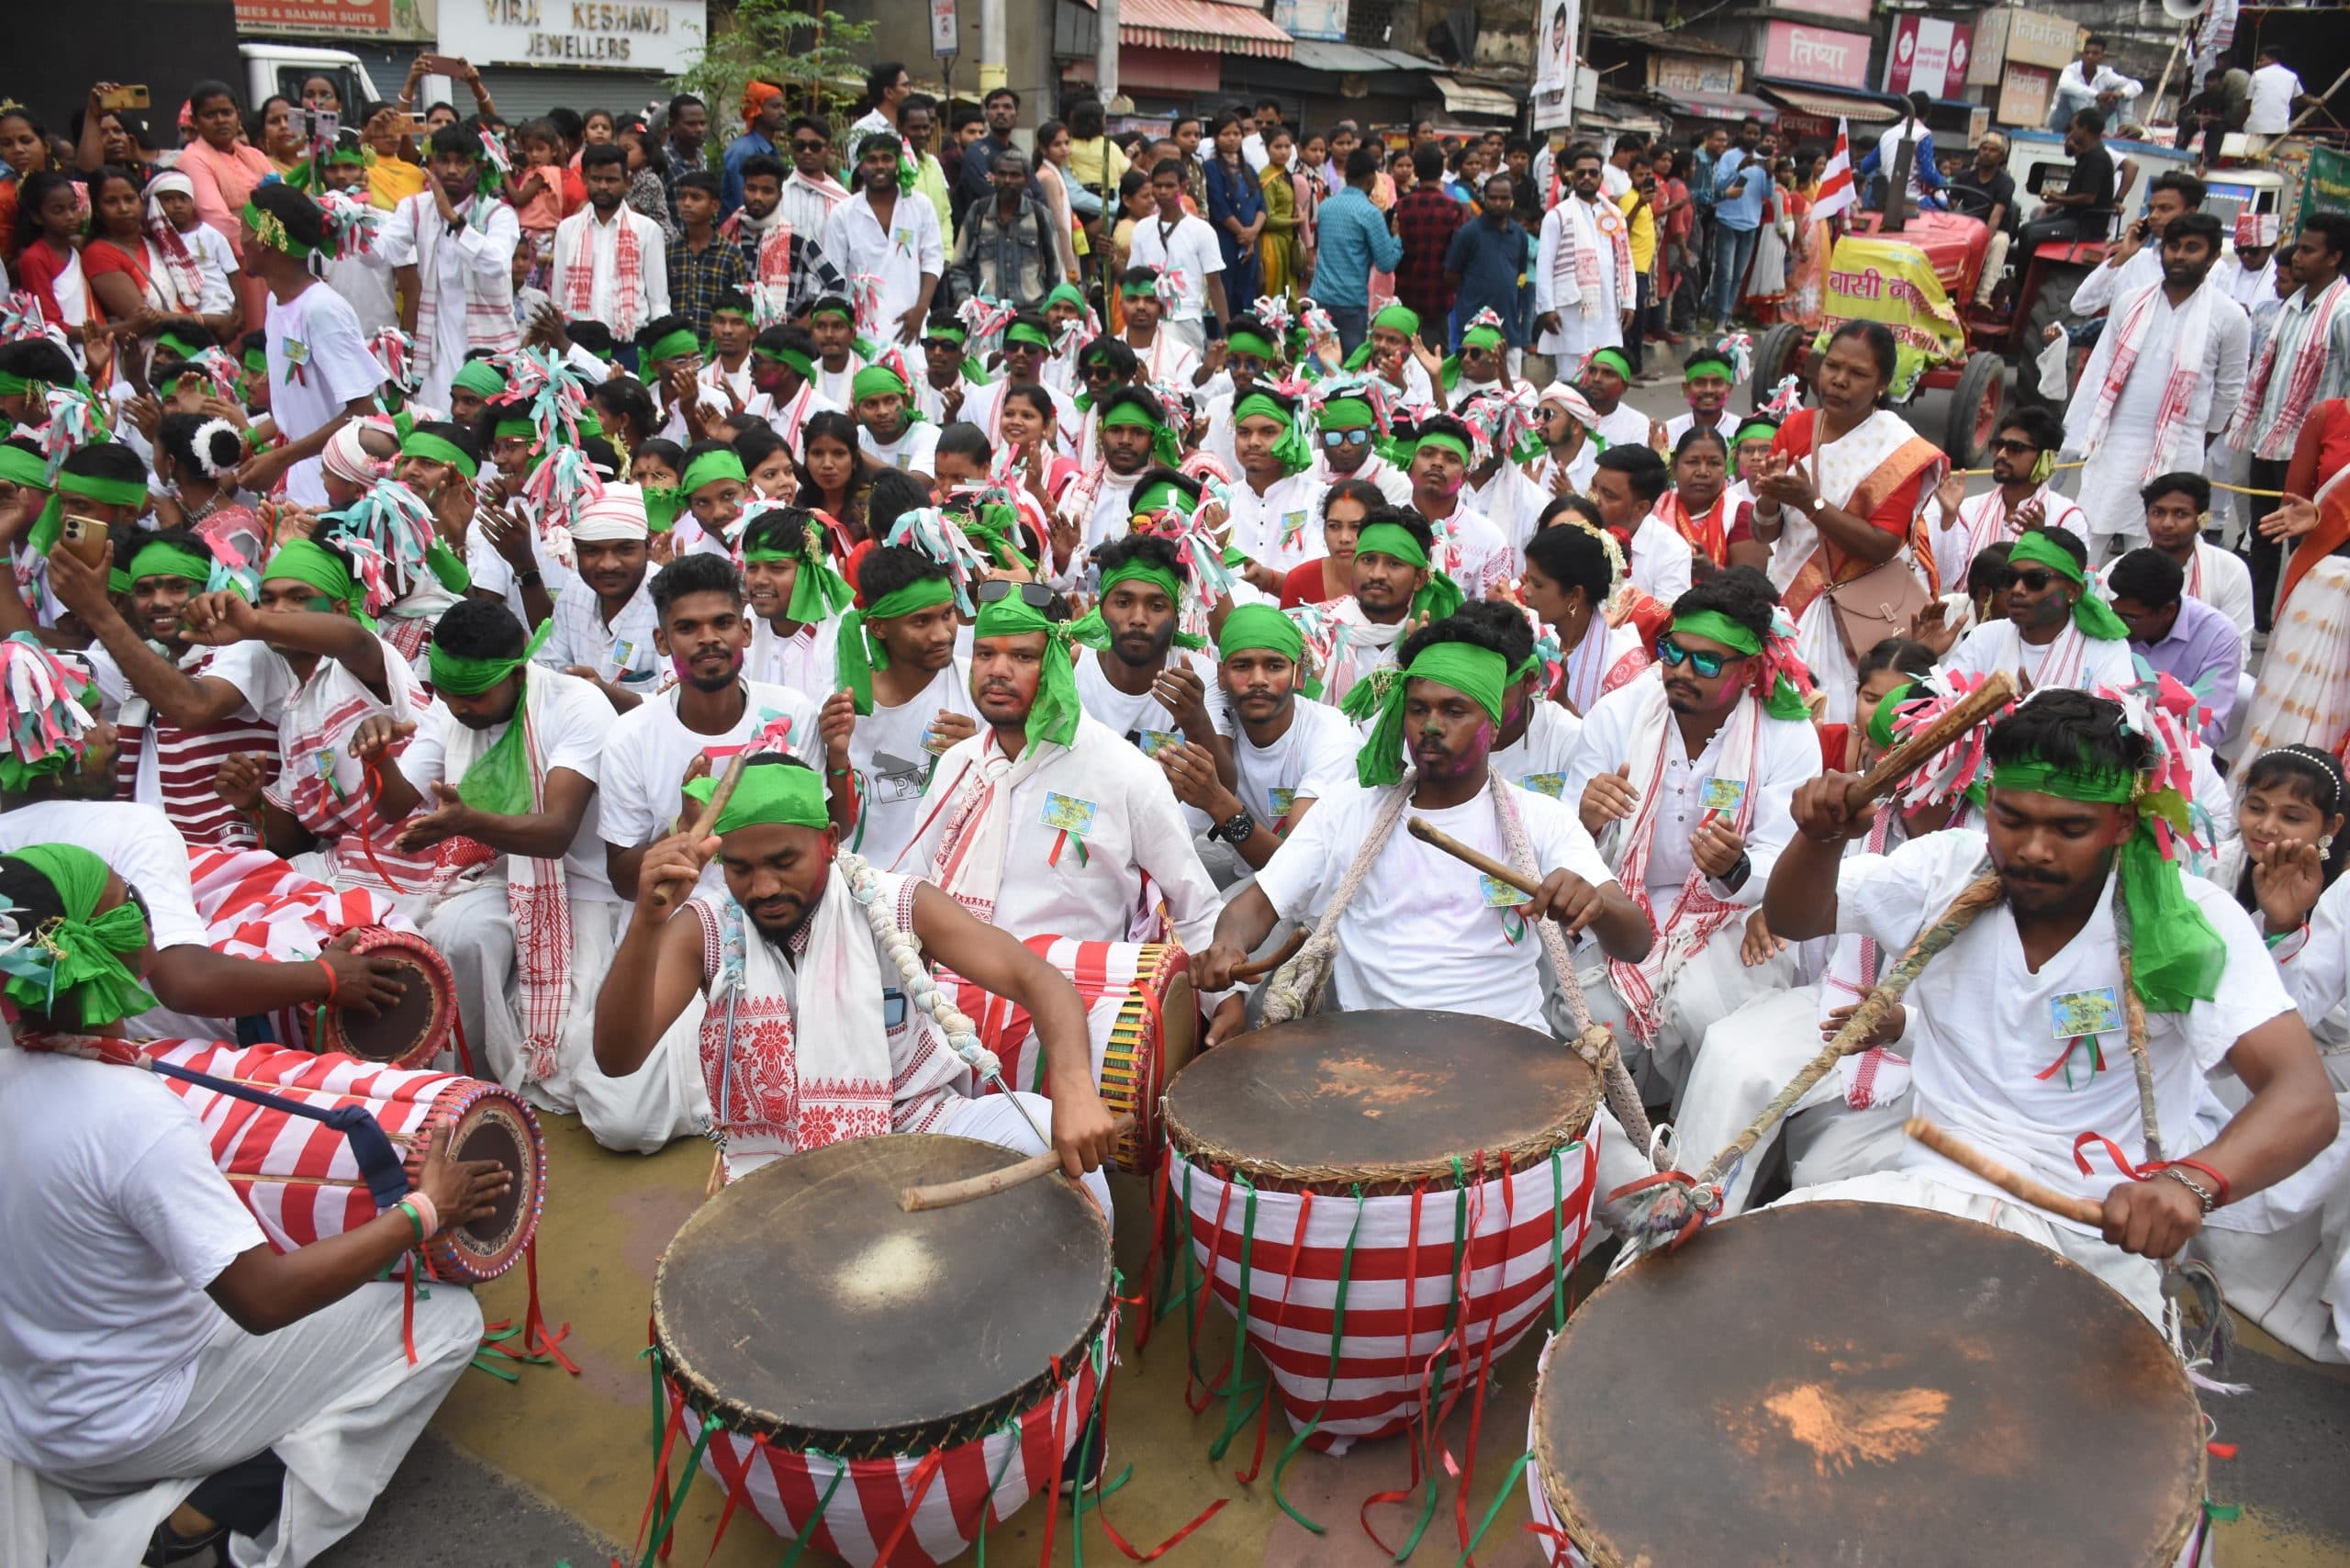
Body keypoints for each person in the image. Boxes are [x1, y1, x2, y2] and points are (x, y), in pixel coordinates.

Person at [0, 844, 504, 1568]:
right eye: (127, 903)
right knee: (446, 1322)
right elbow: (262, 1299)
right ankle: (221, 1518)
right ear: (96, 946)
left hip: (33, 1414)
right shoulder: (128, 1116)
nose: (147, 912)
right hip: (132, 1422)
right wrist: (424, 1210)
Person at [1769, 689, 2336, 1323]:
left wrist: (2191, 1182)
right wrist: (1818, 841)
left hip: (2090, 1238)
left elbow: (2303, 1098)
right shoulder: (1944, 870)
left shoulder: (2186, 919)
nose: (2034, 849)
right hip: (1927, 1193)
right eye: (2013, 819)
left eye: (2070, 828)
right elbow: (1795, 917)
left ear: (2123, 821)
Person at [1194, 611, 1650, 1049]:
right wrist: (1228, 944)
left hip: (1510, 1058)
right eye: (1418, 710)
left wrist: (1597, 906)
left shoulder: (1541, 819)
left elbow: (1635, 941)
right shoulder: (1348, 811)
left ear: (1492, 728)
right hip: (1375, 1058)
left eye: (1455, 711)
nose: (1432, 726)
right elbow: (1254, 906)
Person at [895, 580, 1236, 1035]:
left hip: (1074, 1031)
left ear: (1059, 659)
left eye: (1023, 656)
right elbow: (913, 888)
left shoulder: (1123, 772)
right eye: (985, 654)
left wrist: (1227, 1002)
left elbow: (1192, 905)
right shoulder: (960, 765)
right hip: (950, 1027)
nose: (998, 671)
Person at [1564, 568, 1820, 1092]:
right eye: (1672, 651)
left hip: (1737, 914)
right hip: (1625, 903)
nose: (1681, 669)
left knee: (1707, 1013)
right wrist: (1588, 820)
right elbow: (1564, 844)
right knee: (1588, 1022)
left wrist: (1737, 867)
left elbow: (1787, 852)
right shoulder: (1619, 716)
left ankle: (1696, 1153)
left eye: (1705, 660)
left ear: (1749, 670)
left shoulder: (1787, 734)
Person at [1748, 320, 1943, 724]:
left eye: (1857, 374)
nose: (1839, 381)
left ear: (1882, 383)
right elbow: (1766, 532)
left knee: (1840, 720)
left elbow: (1882, 544)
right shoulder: (1798, 427)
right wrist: (1769, 495)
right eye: (1833, 366)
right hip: (1790, 603)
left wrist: (1811, 504)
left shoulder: (1897, 448)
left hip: (1856, 615)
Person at [42, 529, 282, 850]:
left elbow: (192, 707)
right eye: (143, 590)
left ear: (207, 587)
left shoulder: (246, 650)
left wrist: (97, 611)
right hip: (169, 856)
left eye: (178, 586)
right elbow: (42, 672)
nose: (159, 602)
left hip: (241, 861)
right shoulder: (149, 661)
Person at [2062, 212, 2249, 560]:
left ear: (2211, 258)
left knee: (2154, 555)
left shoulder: (2230, 316)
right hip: (2115, 443)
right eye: (2173, 247)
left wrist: (2199, 436)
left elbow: (2229, 390)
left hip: (2179, 449)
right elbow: (2103, 369)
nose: (2179, 255)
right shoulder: (2131, 302)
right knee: (2089, 540)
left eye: (2192, 248)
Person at [2222, 214, 2350, 630]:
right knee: (2263, 535)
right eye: (2298, 246)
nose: (2297, 256)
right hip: (2270, 441)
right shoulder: (2290, 307)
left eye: (2309, 250)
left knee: (2306, 540)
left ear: (2334, 257)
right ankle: (2261, 623)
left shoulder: (2343, 312)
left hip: (2314, 452)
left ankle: (2303, 623)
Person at [239, 182, 386, 509]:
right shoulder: (277, 303)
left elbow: (363, 412)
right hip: (296, 478)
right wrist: (248, 441)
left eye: (244, 229)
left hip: (330, 485)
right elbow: (298, 408)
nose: (240, 241)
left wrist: (280, 458)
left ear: (265, 241)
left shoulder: (321, 310)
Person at [376, 126, 520, 415]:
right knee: (438, 419)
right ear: (431, 165)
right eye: (444, 160)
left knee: (488, 424)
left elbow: (496, 263)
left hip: (487, 343)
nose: (452, 169)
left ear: (479, 166)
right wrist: (349, 230)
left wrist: (453, 219)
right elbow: (384, 251)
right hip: (436, 344)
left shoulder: (497, 213)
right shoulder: (415, 208)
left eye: (462, 161)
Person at [1940, 525, 2138, 693]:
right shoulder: (1984, 638)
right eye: (2010, 578)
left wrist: (2042, 718)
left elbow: (2114, 721)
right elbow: (1944, 702)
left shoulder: (2106, 649)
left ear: (2073, 592)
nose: (2017, 589)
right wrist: (1925, 655)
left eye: (2035, 580)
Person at [1924, 405, 2085, 593]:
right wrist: (1949, 518)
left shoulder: (2067, 516)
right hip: (1973, 617)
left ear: (2046, 458)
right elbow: (1945, 578)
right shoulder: (1970, 509)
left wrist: (2041, 541)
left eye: (2015, 448)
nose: (2001, 455)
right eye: (1999, 446)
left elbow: (2071, 585)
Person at [2108, 548, 2244, 745]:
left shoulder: (2219, 636)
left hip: (2176, 754)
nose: (2116, 624)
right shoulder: (2106, 618)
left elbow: (2208, 730)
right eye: (2113, 612)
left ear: (2168, 611)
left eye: (2130, 618)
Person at [1525, 505, 1651, 716]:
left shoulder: (1623, 667)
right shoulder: (1531, 637)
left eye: (1537, 585)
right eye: (1527, 579)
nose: (1526, 592)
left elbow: (1621, 747)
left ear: (1575, 595)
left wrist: (1564, 704)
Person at [821, 135, 943, 348]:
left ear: (898, 163)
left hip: (912, 326)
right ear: (860, 167)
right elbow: (834, 277)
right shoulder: (843, 213)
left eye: (887, 158)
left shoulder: (920, 206)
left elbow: (933, 260)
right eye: (872, 159)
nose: (879, 166)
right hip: (862, 332)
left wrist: (921, 309)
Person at [550, 142, 669, 350]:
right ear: (584, 179)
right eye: (596, 179)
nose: (603, 186)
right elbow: (559, 297)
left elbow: (658, 300)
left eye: (611, 180)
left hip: (630, 343)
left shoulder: (647, 230)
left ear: (627, 183)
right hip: (577, 343)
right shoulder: (567, 229)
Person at [1536, 146, 1631, 363]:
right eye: (1581, 173)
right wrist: (1547, 309)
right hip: (1571, 310)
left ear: (1601, 177)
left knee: (1604, 373)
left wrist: (1629, 303)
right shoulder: (1557, 216)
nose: (1587, 178)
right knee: (1570, 379)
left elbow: (1625, 261)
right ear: (1572, 176)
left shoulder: (1614, 215)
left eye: (1593, 173)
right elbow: (1545, 265)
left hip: (1608, 309)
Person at [2069, 170, 2206, 319]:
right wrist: (2123, 256)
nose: (2154, 216)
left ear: (2190, 213)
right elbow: (2080, 305)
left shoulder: (2212, 270)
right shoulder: (2133, 259)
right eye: (2151, 209)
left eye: (2165, 209)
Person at [1126, 160, 1229, 353]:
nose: (1163, 191)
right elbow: (1134, 278)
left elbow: (1215, 284)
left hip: (1187, 317)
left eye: (1170, 185)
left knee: (1186, 379)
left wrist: (1228, 332)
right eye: (1158, 186)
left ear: (1184, 186)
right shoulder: (1142, 229)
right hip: (1148, 318)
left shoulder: (1202, 230)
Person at [2139, 470, 2255, 643]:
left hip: (2209, 668)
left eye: (2181, 514)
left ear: (2203, 520)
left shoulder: (2230, 570)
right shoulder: (2119, 569)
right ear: (2146, 518)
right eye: (2158, 513)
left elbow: (2237, 647)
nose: (2167, 524)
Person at [1311, 149, 1404, 356]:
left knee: (1320, 360)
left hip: (1320, 295)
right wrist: (1396, 237)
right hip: (1350, 300)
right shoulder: (1370, 213)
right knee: (1352, 366)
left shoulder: (1326, 206)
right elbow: (1386, 263)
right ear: (1371, 178)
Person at [947, 145, 1062, 311]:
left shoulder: (1040, 215)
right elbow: (958, 266)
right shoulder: (979, 211)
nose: (1007, 180)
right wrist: (965, 299)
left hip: (1030, 313)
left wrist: (1049, 309)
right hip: (985, 315)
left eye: (1015, 175)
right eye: (1002, 174)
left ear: (1027, 180)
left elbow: (1055, 270)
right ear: (993, 177)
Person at [1444, 174, 1533, 357]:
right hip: (1473, 330)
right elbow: (1451, 276)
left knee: (1511, 385)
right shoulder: (1468, 233)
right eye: (1493, 198)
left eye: (1504, 198)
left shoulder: (1519, 234)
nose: (1498, 203)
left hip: (1509, 330)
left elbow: (1520, 275)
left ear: (1512, 200)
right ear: (1484, 198)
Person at [2019, 111, 2117, 252]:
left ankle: (2024, 275)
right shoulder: (2085, 156)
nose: (2070, 133)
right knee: (2025, 229)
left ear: (2084, 129)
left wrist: (2058, 198)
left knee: (2031, 234)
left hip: (2086, 226)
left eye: (2073, 128)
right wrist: (2057, 198)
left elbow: (2088, 198)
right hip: (2070, 217)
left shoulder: (2098, 158)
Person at [1704, 120, 1767, 330]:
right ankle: (1719, 319)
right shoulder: (1729, 156)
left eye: (1756, 134)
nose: (1752, 137)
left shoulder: (1763, 160)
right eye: (1749, 132)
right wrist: (1739, 169)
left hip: (1751, 224)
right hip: (1728, 222)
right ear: (1741, 133)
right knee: (1725, 273)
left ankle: (1728, 316)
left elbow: (1767, 194)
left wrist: (1771, 173)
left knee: (1738, 276)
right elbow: (1719, 186)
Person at [1203, 112, 1267, 310]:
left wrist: (1252, 233)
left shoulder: (1249, 169)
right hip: (1226, 239)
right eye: (1226, 134)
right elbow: (1219, 206)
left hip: (1250, 241)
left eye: (1236, 133)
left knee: (1247, 293)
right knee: (1225, 291)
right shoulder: (1211, 167)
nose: (1232, 138)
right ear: (1215, 137)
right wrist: (1242, 234)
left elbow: (1262, 206)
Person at [1859, 92, 1944, 212]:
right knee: (1944, 203)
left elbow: (1865, 167)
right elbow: (1929, 176)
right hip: (1911, 201)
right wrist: (1943, 182)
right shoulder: (1924, 135)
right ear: (1928, 112)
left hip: (1884, 200)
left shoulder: (1887, 135)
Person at [1962, 133, 2020, 308]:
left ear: (2001, 156)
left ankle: (1981, 297)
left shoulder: (2006, 183)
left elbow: (1996, 216)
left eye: (1993, 150)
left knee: (2000, 242)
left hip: (1991, 230)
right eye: (1984, 148)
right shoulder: (1964, 177)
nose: (1987, 153)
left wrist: (1983, 243)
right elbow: (1951, 206)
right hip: (1964, 228)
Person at [778, 116, 853, 243]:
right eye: (800, 145)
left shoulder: (842, 200)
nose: (807, 151)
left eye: (815, 146)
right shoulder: (779, 195)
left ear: (829, 150)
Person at [2049, 35, 2143, 131]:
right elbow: (2064, 85)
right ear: (2082, 55)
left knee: (2125, 92)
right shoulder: (2071, 69)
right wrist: (2097, 95)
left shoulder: (2106, 74)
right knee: (2068, 92)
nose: (2090, 56)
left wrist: (2118, 95)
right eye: (2087, 53)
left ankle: (2125, 129)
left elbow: (2137, 85)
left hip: (2089, 123)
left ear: (2102, 56)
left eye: (2095, 53)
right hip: (2063, 123)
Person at [2247, 46, 2322, 150]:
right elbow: (2302, 98)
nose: (2258, 64)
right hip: (2280, 129)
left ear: (2272, 60)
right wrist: (2316, 101)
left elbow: (2248, 103)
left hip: (2256, 127)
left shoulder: (2257, 75)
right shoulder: (2292, 76)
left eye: (2261, 60)